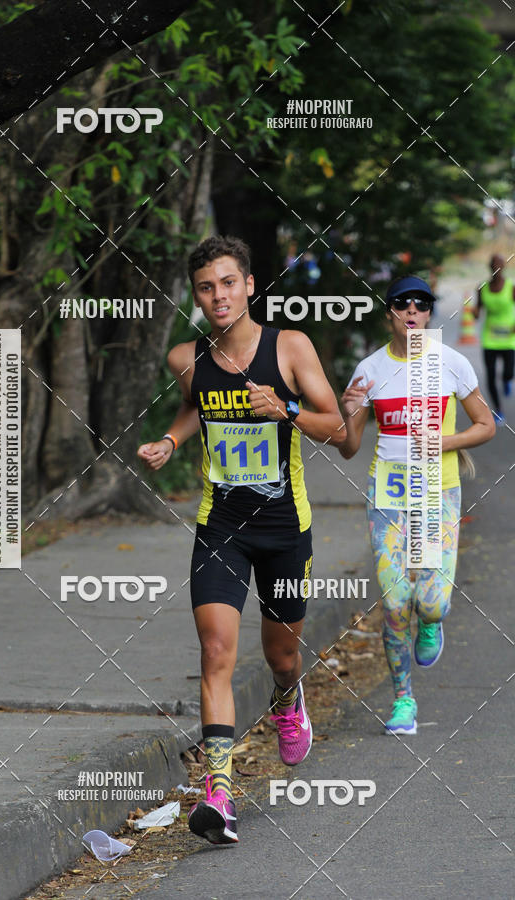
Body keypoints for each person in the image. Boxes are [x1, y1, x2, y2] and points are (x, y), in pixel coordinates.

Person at [138, 235, 345, 844]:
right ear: (196, 296)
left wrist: (284, 410)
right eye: (206, 287)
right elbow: (191, 408)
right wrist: (171, 442)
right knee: (215, 651)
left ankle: (288, 695)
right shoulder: (187, 356)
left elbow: (337, 425)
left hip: (285, 530)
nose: (219, 295)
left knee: (282, 653)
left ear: (250, 285)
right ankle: (220, 794)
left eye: (228, 283)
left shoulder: (290, 347)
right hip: (220, 527)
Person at [339, 275, 495, 735]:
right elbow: (348, 447)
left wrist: (445, 441)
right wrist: (349, 410)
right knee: (393, 602)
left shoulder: (450, 363)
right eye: (403, 305)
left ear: (429, 314)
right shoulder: (369, 369)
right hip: (387, 493)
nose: (412, 312)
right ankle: (403, 700)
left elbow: (485, 425)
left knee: (429, 603)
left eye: (421, 305)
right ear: (390, 312)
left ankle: (432, 622)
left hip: (435, 492)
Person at [473, 253, 515, 425]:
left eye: (500, 265)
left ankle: (507, 381)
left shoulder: (511, 288)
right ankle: (499, 411)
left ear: (504, 267)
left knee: (507, 373)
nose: (497, 268)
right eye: (493, 265)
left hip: (509, 339)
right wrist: (474, 313)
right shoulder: (482, 289)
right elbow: (478, 311)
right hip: (489, 339)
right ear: (490, 268)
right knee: (490, 376)